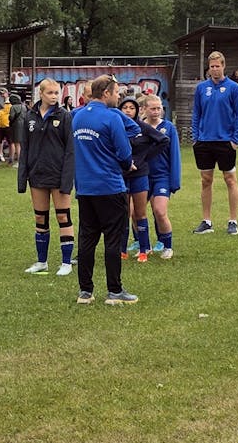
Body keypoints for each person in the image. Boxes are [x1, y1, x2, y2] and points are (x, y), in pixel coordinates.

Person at [71, 75, 137, 305]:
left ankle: (85, 292)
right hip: (110, 186)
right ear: (106, 93)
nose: (118, 97)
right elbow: (124, 152)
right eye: (116, 92)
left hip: (85, 188)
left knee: (87, 239)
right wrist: (128, 164)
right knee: (112, 239)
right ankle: (114, 291)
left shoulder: (77, 117)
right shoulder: (111, 118)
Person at [18, 78, 76, 276]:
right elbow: (25, 148)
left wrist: (67, 179)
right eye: (50, 93)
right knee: (40, 218)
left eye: (56, 93)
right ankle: (41, 261)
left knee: (63, 216)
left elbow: (70, 151)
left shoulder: (65, 116)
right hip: (37, 176)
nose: (54, 96)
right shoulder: (29, 117)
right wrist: (23, 177)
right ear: (40, 94)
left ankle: (66, 262)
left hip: (59, 175)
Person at [191, 51, 238, 236]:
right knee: (206, 180)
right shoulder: (201, 88)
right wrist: (195, 136)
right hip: (204, 141)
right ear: (208, 68)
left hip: (225, 141)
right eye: (211, 66)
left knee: (230, 179)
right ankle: (206, 221)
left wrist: (235, 139)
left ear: (223, 66)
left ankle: (233, 221)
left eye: (217, 66)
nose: (214, 69)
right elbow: (196, 113)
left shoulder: (233, 88)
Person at [117, 96, 169, 262]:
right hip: (121, 175)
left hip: (140, 175)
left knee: (140, 213)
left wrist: (145, 157)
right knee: (123, 213)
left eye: (132, 108)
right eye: (125, 107)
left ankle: (143, 250)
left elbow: (163, 140)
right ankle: (122, 250)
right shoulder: (116, 127)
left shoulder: (142, 127)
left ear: (137, 110)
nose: (128, 111)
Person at [141, 95, 182, 259]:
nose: (156, 111)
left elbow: (175, 155)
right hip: (142, 176)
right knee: (135, 212)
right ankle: (144, 245)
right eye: (153, 108)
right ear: (144, 109)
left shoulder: (168, 128)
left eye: (159, 108)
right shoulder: (139, 127)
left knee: (159, 211)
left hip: (161, 176)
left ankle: (167, 246)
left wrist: (175, 180)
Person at [0, 88, 14, 166]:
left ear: (7, 94)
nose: (2, 95)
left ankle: (11, 159)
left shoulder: (11, 103)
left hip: (8, 126)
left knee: (11, 142)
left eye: (3, 93)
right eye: (0, 94)